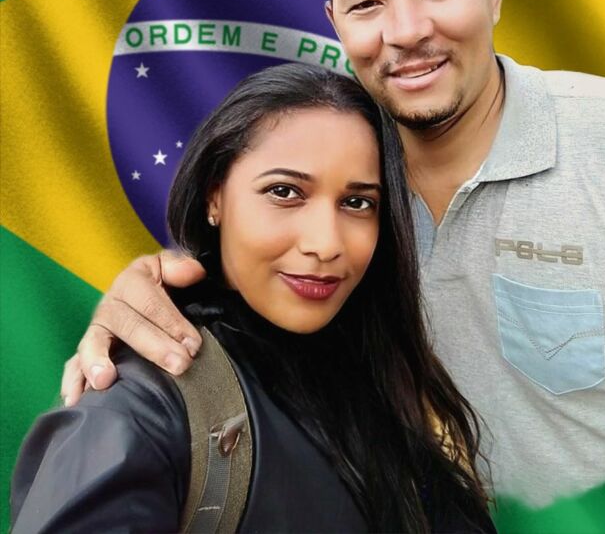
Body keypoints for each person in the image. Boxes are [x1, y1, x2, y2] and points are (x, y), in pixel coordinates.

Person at [60, 0, 605, 508]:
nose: (407, 29)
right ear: (336, 23)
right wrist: (142, 314)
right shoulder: (337, 194)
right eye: (368, 4)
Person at [12, 64, 496, 534]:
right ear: (214, 197)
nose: (325, 243)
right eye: (284, 192)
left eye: (357, 202)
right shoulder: (143, 411)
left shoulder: (397, 385)